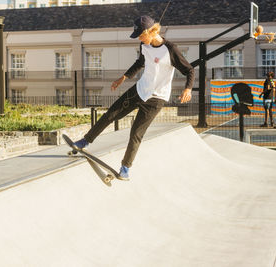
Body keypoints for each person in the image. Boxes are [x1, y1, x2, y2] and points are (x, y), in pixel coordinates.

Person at [71, 15, 194, 179]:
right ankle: (85, 141)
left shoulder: (171, 50)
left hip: (156, 99)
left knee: (136, 133)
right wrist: (123, 77)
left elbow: (190, 70)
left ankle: (125, 168)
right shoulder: (144, 45)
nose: (141, 40)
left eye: (142, 36)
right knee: (111, 114)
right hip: (139, 90)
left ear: (152, 31)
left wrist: (188, 89)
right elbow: (140, 63)